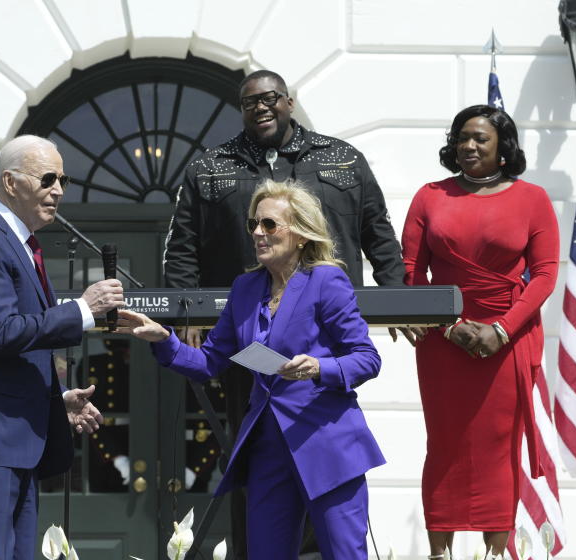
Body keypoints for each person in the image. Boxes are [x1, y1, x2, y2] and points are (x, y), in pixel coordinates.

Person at [163, 68, 404, 555]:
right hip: (252, 366)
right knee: (262, 518)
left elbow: (378, 230)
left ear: (290, 102)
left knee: (338, 539)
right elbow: (183, 247)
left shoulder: (341, 160)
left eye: (272, 98)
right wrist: (172, 327)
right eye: (251, 101)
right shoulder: (211, 168)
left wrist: (397, 296)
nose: (262, 107)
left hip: (322, 393)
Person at [124, 179, 384, 560]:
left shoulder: (326, 281)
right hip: (267, 449)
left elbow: (366, 358)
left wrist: (319, 367)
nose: (258, 234)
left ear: (300, 234)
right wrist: (164, 340)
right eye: (253, 225)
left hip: (326, 445)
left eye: (269, 225)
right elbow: (209, 361)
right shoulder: (245, 288)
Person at [0, 135, 124, 560]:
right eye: (48, 178)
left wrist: (57, 400)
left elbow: (21, 347)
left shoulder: (21, 244)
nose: (58, 190)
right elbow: (3, 332)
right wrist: (82, 309)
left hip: (16, 435)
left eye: (63, 180)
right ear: (12, 183)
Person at [400, 105, 559, 558]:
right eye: (461, 137)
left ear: (502, 147)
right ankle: (439, 553)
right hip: (442, 341)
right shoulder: (430, 196)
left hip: (505, 340)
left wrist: (501, 331)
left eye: (479, 138)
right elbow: (412, 274)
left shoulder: (532, 199)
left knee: (496, 448)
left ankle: (495, 552)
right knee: (445, 443)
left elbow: (545, 275)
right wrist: (449, 328)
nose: (468, 145)